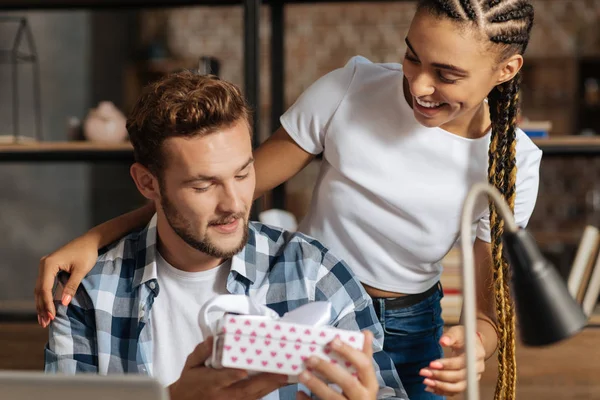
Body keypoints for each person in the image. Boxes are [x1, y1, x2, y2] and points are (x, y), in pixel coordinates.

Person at [36, 0, 541, 398]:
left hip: (414, 325)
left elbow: (486, 308)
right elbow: (220, 191)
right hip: (308, 299)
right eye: (412, 55)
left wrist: (477, 344)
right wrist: (99, 237)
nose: (419, 83)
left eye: (447, 74)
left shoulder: (512, 163)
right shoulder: (351, 89)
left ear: (506, 68)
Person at [43, 72, 407, 400]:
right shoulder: (88, 292)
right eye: (203, 185)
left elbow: (384, 393)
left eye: (243, 174)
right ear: (147, 183)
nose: (234, 204)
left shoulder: (314, 274)